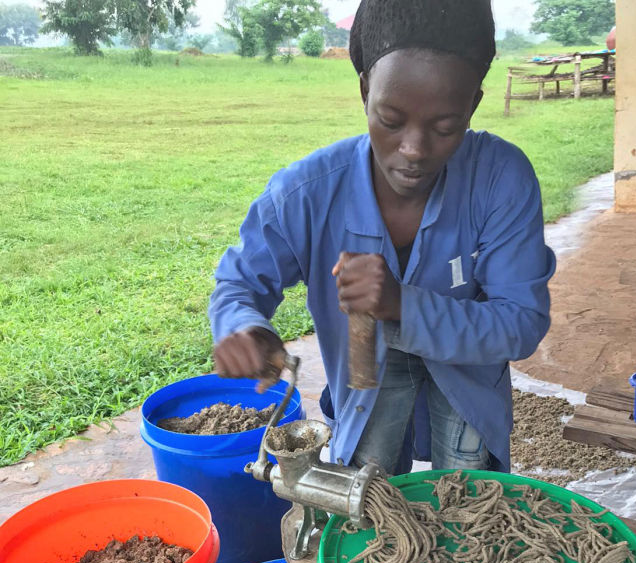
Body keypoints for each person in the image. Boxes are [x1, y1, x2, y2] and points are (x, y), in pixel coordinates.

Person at [209, 0, 555, 476]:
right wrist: (243, 327)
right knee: (371, 501)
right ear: (365, 90)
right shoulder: (307, 193)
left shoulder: (500, 179)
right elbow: (239, 283)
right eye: (391, 121)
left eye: (445, 127)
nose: (413, 150)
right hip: (364, 385)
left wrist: (403, 305)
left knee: (467, 502)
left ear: (473, 103)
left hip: (468, 380)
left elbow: (520, 322)